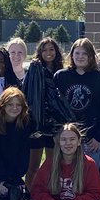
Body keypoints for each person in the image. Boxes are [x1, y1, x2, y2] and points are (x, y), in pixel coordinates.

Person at [28, 123, 100, 200]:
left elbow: (96, 193)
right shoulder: (50, 162)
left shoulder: (88, 163)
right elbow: (37, 191)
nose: (68, 143)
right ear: (58, 142)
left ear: (79, 142)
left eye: (72, 139)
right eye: (64, 140)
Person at [53, 38, 100, 159]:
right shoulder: (60, 76)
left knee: (89, 174)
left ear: (91, 56)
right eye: (77, 53)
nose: (80, 56)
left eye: (84, 53)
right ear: (72, 55)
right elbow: (54, 107)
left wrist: (99, 137)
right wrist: (58, 135)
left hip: (92, 140)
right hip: (66, 138)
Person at [24, 37, 65, 185]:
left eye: (51, 49)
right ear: (39, 52)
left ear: (56, 51)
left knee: (53, 165)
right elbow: (27, 93)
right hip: (36, 122)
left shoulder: (61, 72)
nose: (48, 53)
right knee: (33, 166)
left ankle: (50, 196)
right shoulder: (34, 69)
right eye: (44, 49)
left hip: (54, 124)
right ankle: (31, 195)